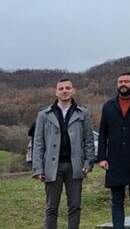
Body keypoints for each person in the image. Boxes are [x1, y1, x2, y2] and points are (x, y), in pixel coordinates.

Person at [32, 78, 95, 229]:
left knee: (75, 206)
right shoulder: (44, 115)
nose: (65, 91)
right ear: (56, 92)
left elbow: (89, 140)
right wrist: (38, 168)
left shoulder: (83, 113)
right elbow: (38, 143)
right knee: (51, 207)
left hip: (75, 166)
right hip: (52, 167)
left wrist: (88, 162)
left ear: (73, 91)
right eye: (61, 89)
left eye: (68, 88)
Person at [97, 72, 130, 229]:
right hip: (115, 159)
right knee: (116, 200)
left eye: (126, 81)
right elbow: (103, 133)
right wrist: (102, 157)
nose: (123, 84)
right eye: (120, 81)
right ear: (117, 84)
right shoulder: (108, 106)